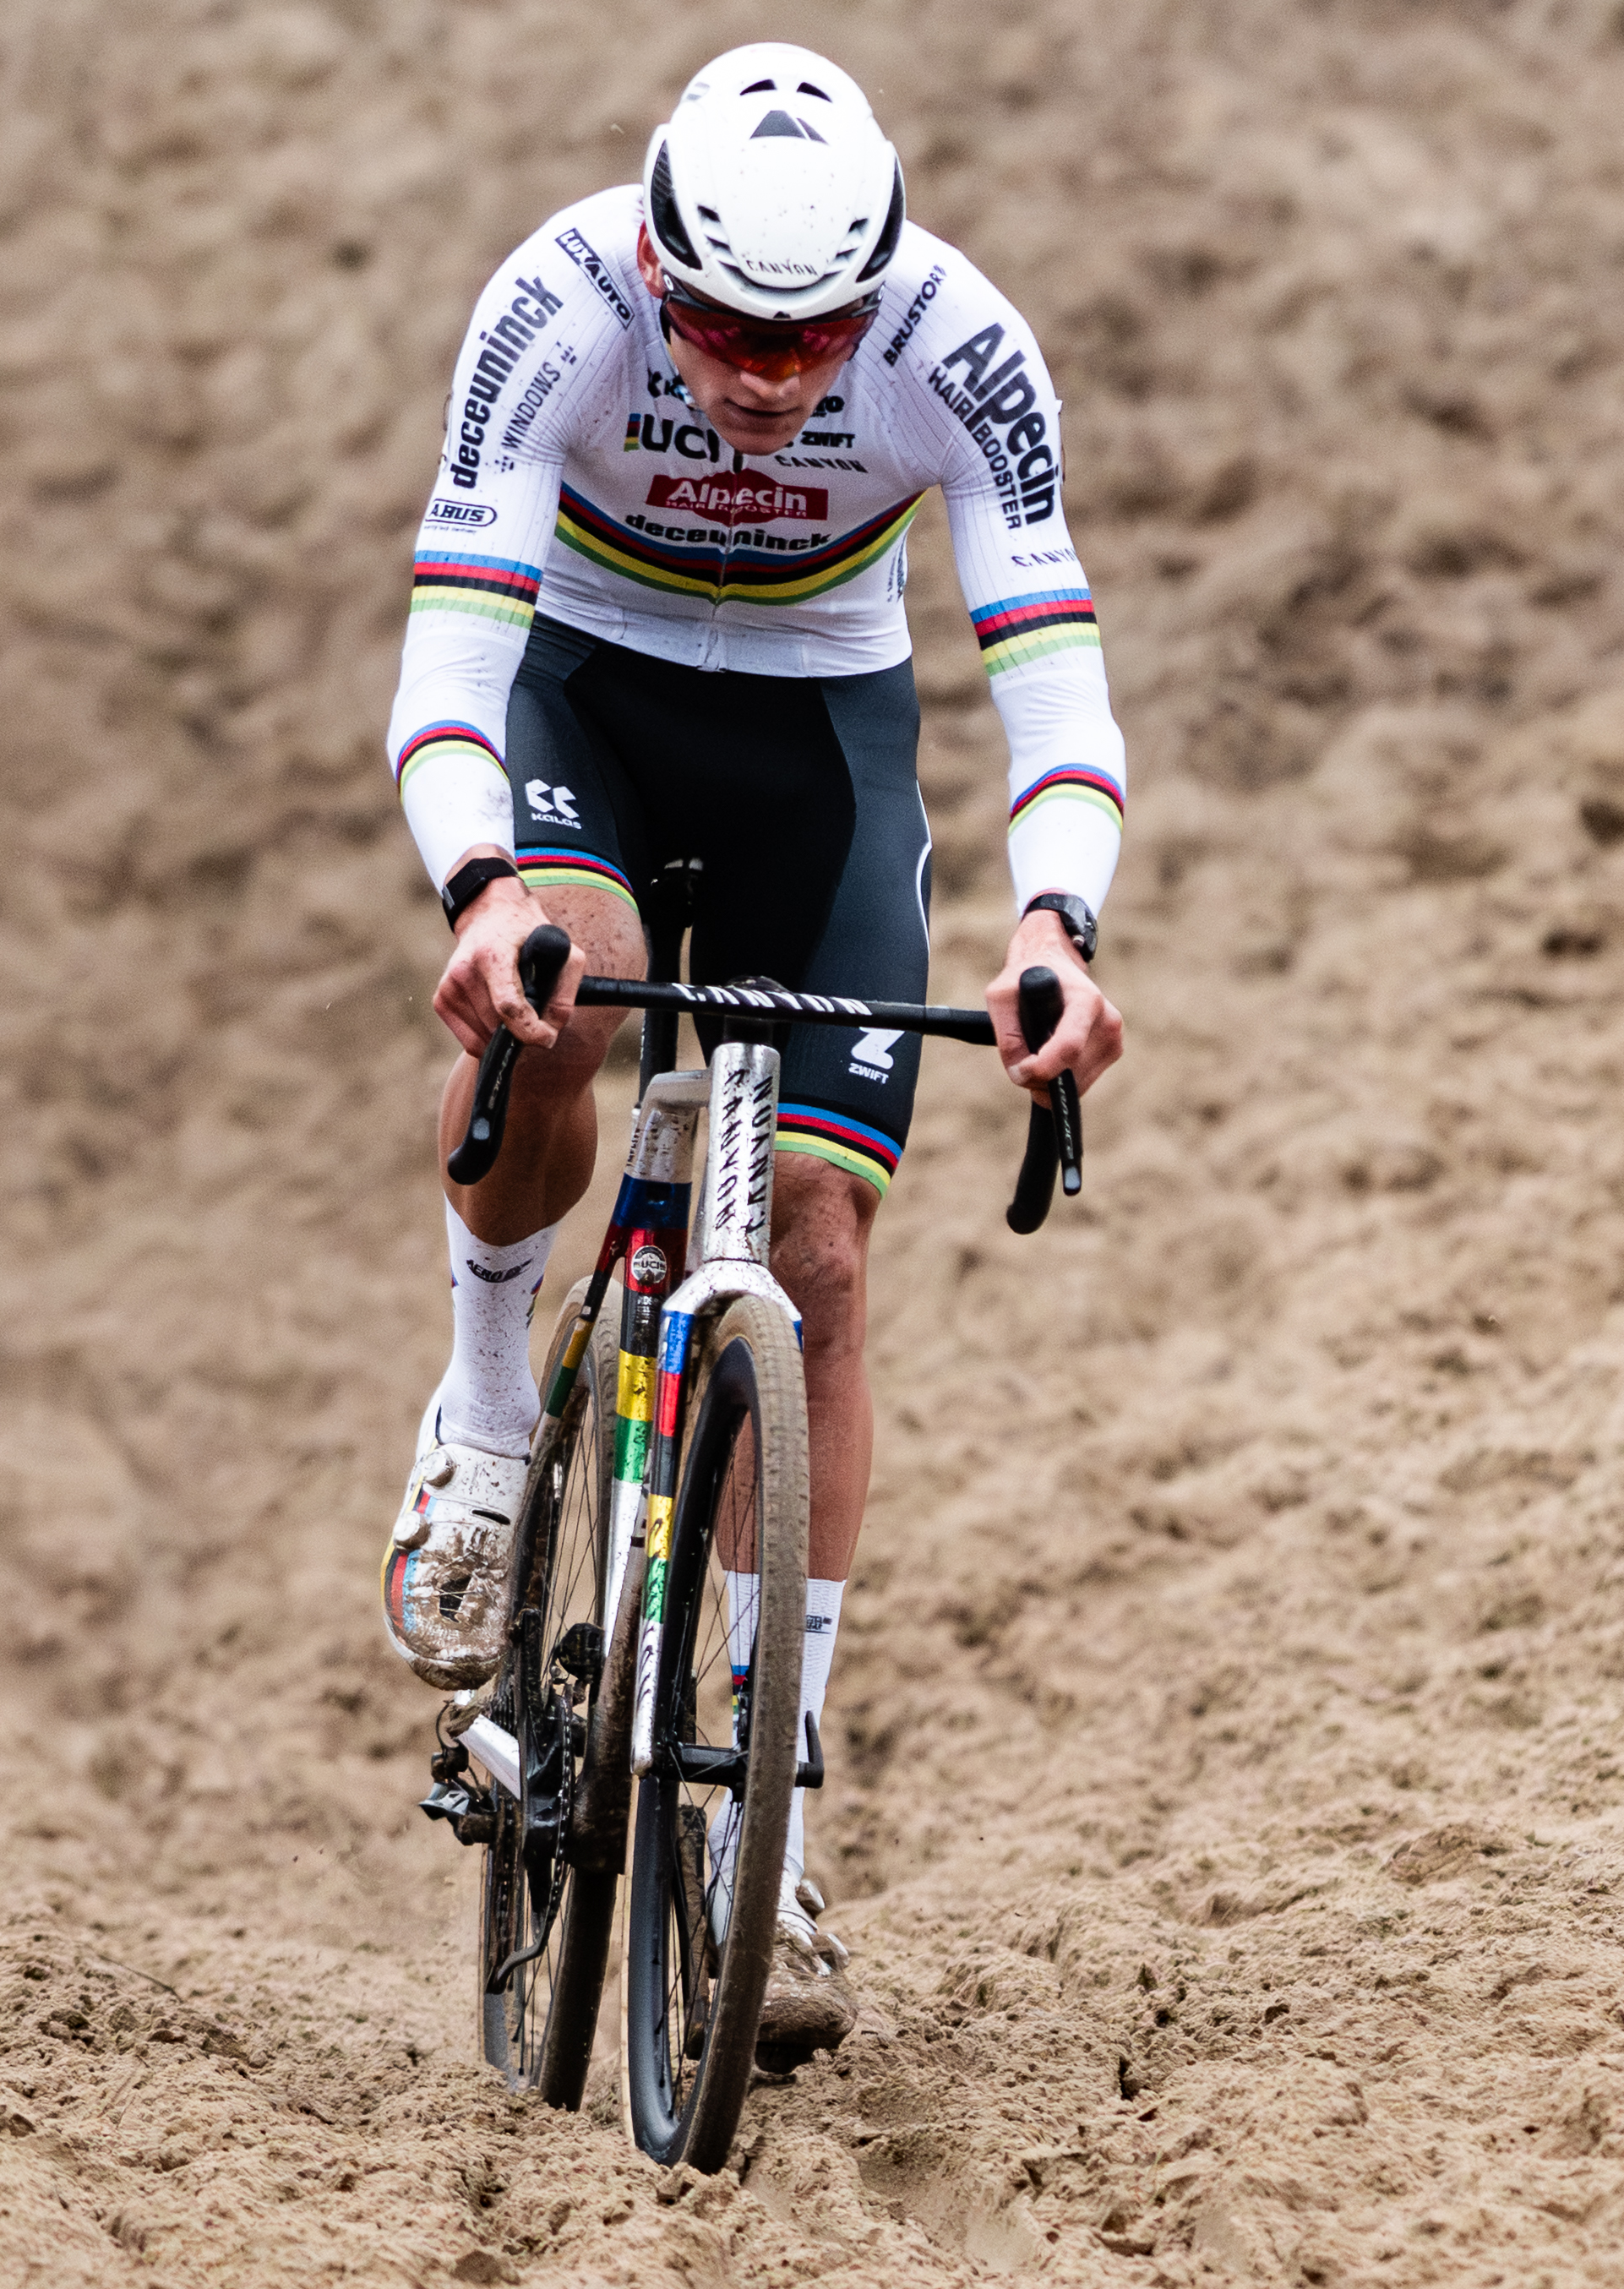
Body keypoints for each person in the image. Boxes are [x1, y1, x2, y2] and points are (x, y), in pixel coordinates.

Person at [372, 43, 1126, 2058]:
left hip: (819, 728)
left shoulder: (961, 342)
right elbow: (452, 646)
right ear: (653, 267)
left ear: (877, 294)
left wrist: (1056, 923)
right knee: (574, 979)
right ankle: (485, 1422)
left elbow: (1052, 669)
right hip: (585, 694)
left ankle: (760, 1838)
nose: (771, 378)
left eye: (816, 337)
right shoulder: (555, 304)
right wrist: (482, 892)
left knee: (820, 1250)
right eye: (721, 329)